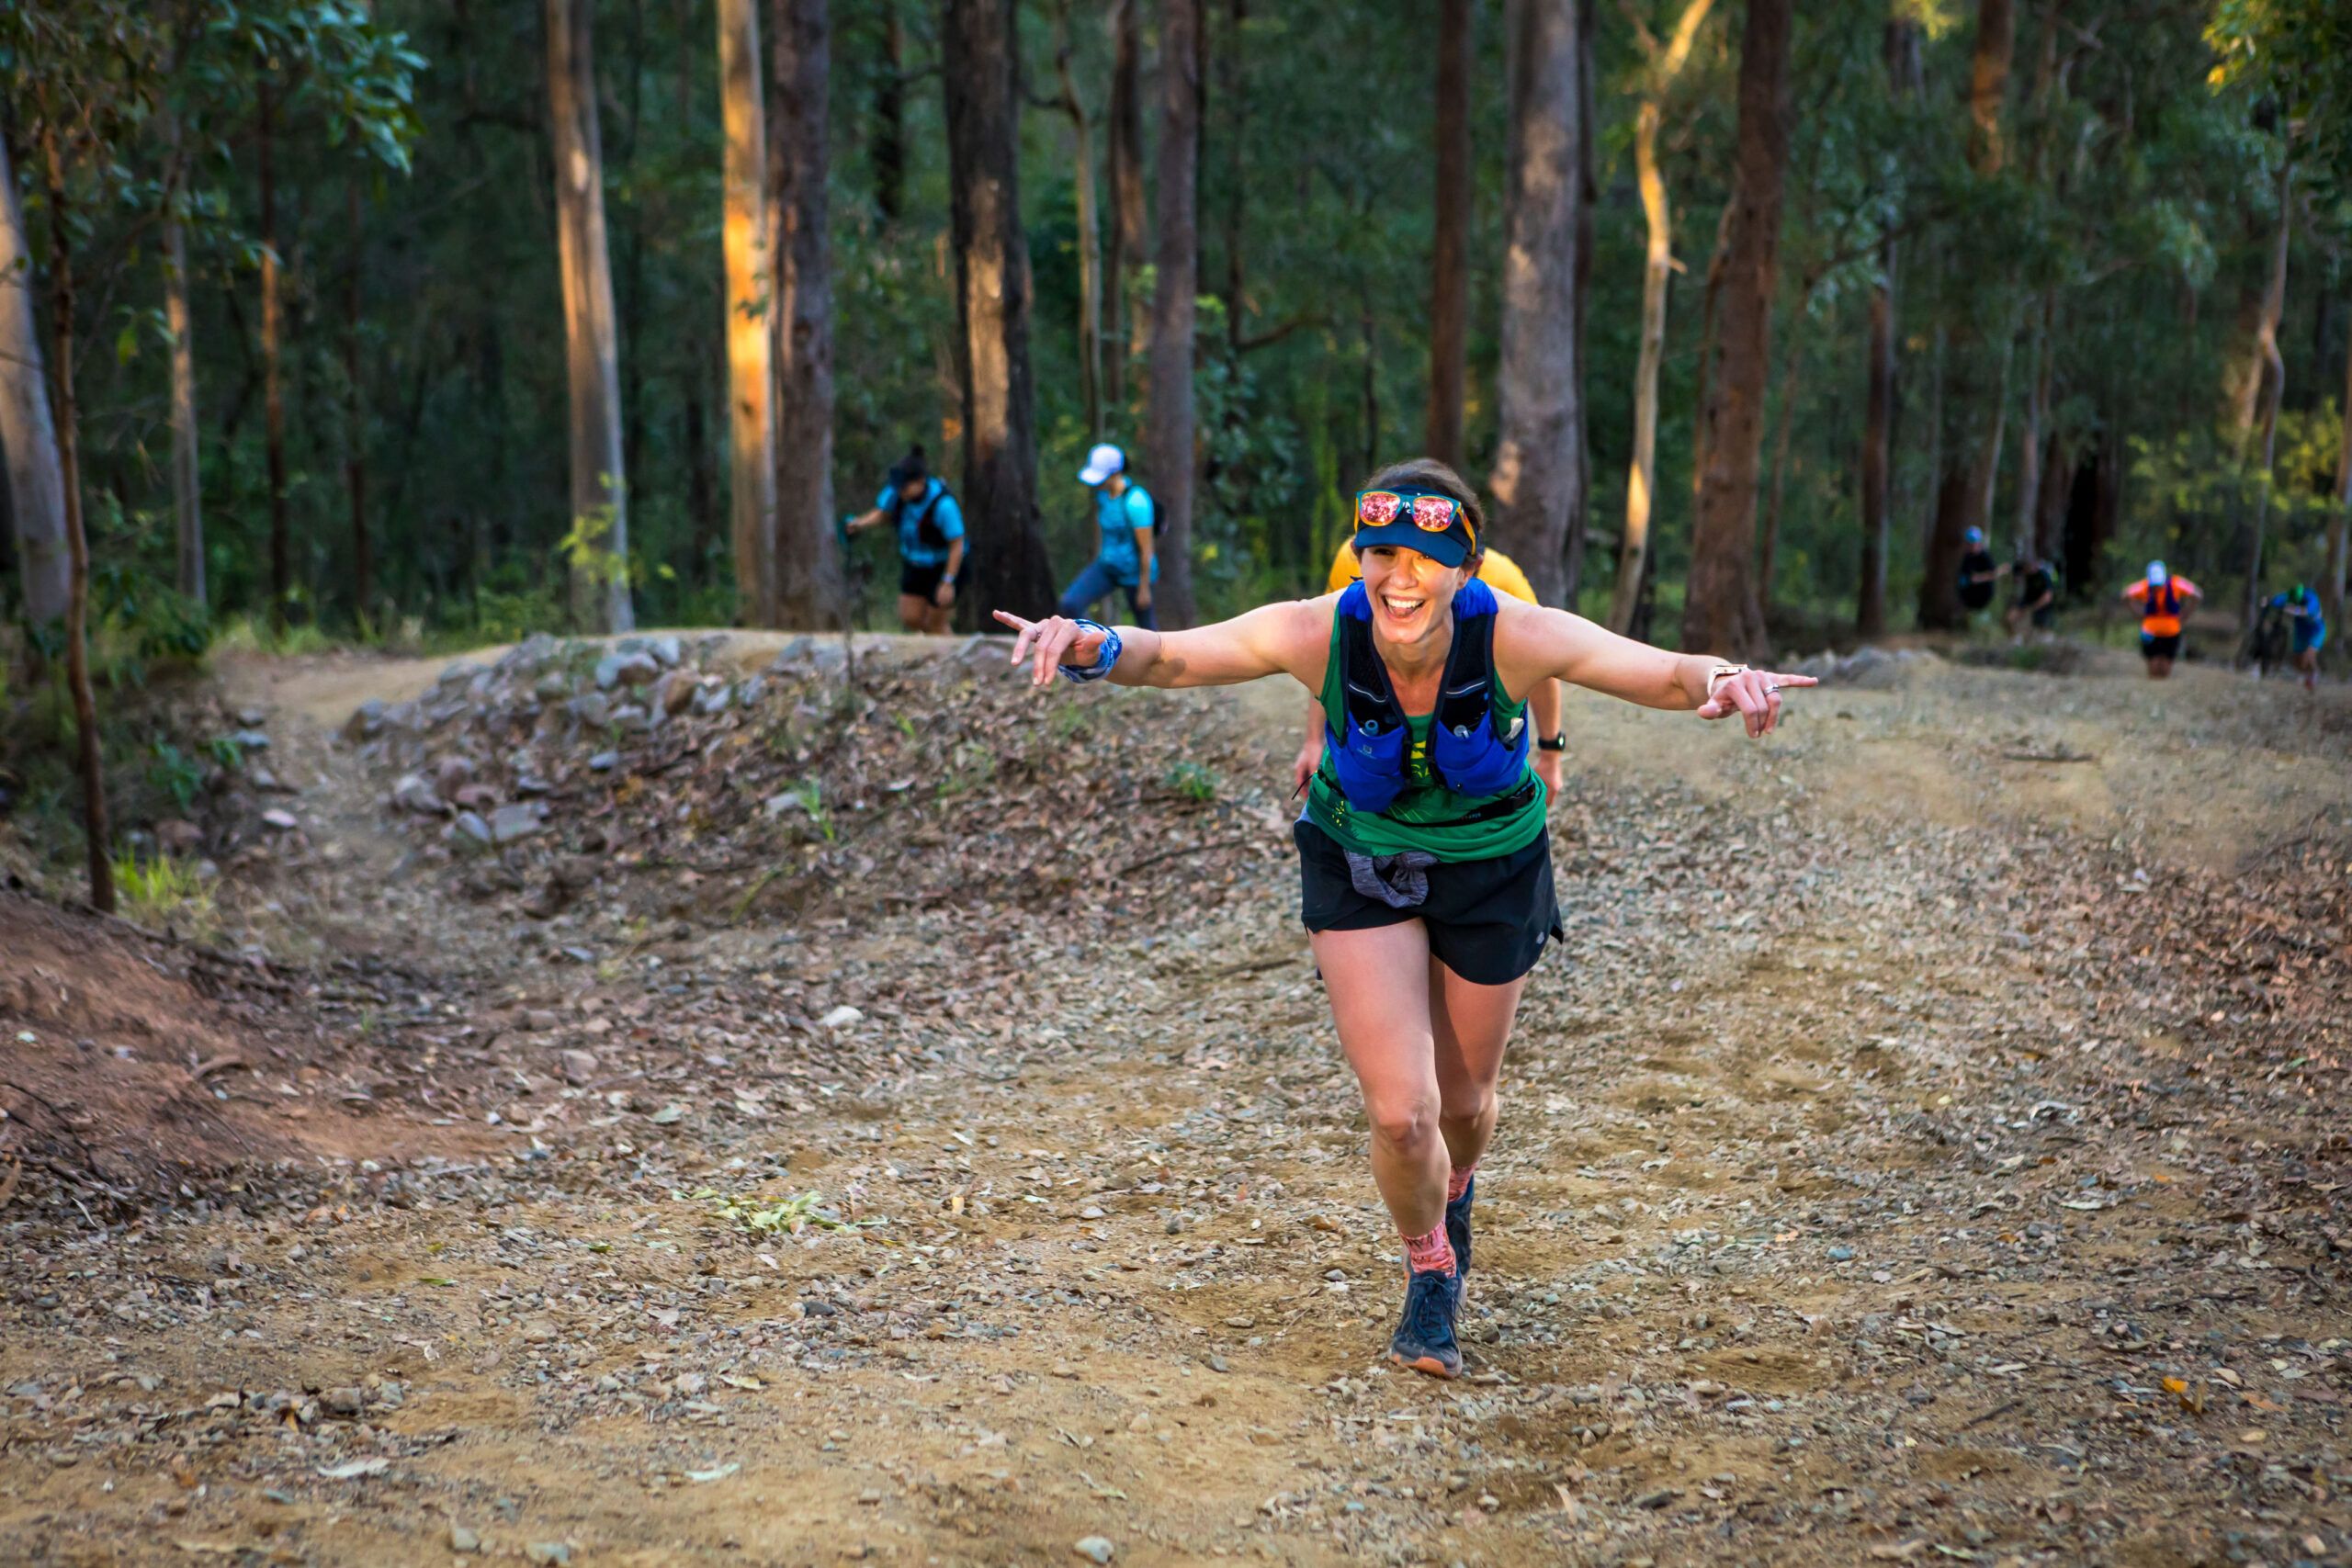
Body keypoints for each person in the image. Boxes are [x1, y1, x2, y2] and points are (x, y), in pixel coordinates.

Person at [994, 458, 1815, 1380]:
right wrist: (1090, 644)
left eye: (1422, 557)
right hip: (1359, 857)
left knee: (1462, 1107)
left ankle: (1455, 1192)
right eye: (1378, 552)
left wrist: (1726, 677)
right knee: (1400, 1114)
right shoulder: (1319, 631)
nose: (1397, 575)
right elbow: (1176, 653)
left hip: (1491, 866)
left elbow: (1661, 672)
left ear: (1464, 567)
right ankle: (1430, 1268)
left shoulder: (1513, 634)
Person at [1302, 537, 1569, 801]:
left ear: (1469, 568)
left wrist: (1550, 753)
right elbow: (1334, 650)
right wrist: (1313, 741)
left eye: (1431, 557)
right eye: (1387, 553)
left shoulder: (1504, 580)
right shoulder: (1357, 556)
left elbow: (1541, 666)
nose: (1403, 580)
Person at [845, 446, 966, 634]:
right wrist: (859, 524)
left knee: (937, 621)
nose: (901, 491)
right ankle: (935, 641)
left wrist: (948, 581)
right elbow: (882, 514)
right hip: (915, 562)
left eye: (905, 486)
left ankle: (943, 645)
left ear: (920, 481)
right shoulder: (896, 494)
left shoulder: (944, 505)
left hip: (943, 565)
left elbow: (957, 544)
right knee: (910, 617)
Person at [1057, 444, 1159, 630]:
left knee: (1149, 631)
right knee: (1070, 604)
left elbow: (1147, 549)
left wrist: (1144, 588)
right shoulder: (1103, 497)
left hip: (1135, 574)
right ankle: (1094, 647)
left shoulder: (1136, 501)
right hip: (1107, 566)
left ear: (1115, 473)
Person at [2122, 560, 2199, 679]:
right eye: (2155, 584)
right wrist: (2137, 613)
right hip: (2150, 632)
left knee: (2165, 670)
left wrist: (2185, 614)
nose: (2157, 587)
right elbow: (2126, 594)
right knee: (2153, 668)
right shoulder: (2145, 586)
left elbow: (2197, 594)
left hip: (2171, 632)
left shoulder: (2176, 583)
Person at [2267, 581, 2325, 692]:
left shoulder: (2311, 598)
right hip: (2300, 633)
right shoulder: (2291, 595)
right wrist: (2269, 601)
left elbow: (2306, 611)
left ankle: (2314, 674)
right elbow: (2279, 600)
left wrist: (2293, 610)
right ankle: (2308, 676)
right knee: (2297, 662)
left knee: (2308, 656)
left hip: (2316, 632)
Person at [2006, 552, 2057, 643]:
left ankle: (2035, 638)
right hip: (2028, 602)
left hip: (2041, 607)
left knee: (2041, 631)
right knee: (2011, 616)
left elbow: (2047, 596)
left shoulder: (2043, 575)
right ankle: (2015, 638)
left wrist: (2033, 607)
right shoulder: (2026, 575)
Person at [1957, 526, 2005, 615]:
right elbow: (1964, 577)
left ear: (1979, 543)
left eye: (1974, 543)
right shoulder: (1967, 557)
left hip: (1984, 596)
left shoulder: (1986, 557)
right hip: (1968, 598)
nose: (1972, 546)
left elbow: (1994, 574)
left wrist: (1979, 578)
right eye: (1969, 543)